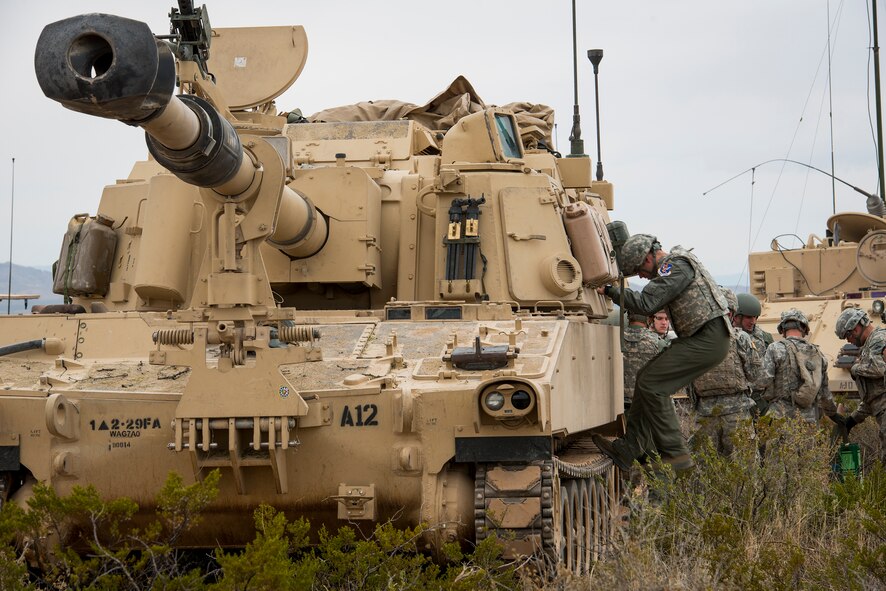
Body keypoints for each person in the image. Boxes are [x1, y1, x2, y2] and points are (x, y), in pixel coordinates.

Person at [593, 233, 732, 472]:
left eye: (640, 271)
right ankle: (628, 449)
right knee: (645, 380)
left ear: (648, 257)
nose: (642, 276)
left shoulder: (674, 266)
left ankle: (676, 455)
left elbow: (647, 304)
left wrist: (610, 291)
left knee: (653, 385)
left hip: (708, 339)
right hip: (701, 338)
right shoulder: (677, 264)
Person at [689, 288, 759, 456]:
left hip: (705, 413)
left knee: (704, 471)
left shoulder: (694, 339)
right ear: (732, 313)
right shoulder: (740, 338)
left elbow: (688, 379)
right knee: (744, 471)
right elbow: (754, 373)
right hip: (737, 413)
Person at [756, 308, 842, 426]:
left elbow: (763, 381)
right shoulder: (818, 354)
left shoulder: (775, 348)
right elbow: (824, 392)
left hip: (780, 417)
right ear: (804, 329)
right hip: (808, 420)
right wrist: (833, 413)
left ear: (783, 329)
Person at [834, 308, 886, 462]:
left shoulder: (879, 339)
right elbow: (874, 395)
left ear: (855, 329)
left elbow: (880, 368)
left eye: (848, 336)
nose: (848, 341)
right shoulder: (868, 346)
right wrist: (853, 419)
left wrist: (855, 368)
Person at [733, 293, 773, 413]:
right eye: (749, 317)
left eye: (755, 317)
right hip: (737, 398)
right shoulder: (727, 338)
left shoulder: (765, 338)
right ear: (736, 317)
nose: (753, 321)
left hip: (760, 398)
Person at [623, 312, 668, 411]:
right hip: (646, 401)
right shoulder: (658, 342)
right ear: (648, 319)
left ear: (629, 318)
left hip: (619, 400)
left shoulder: (614, 337)